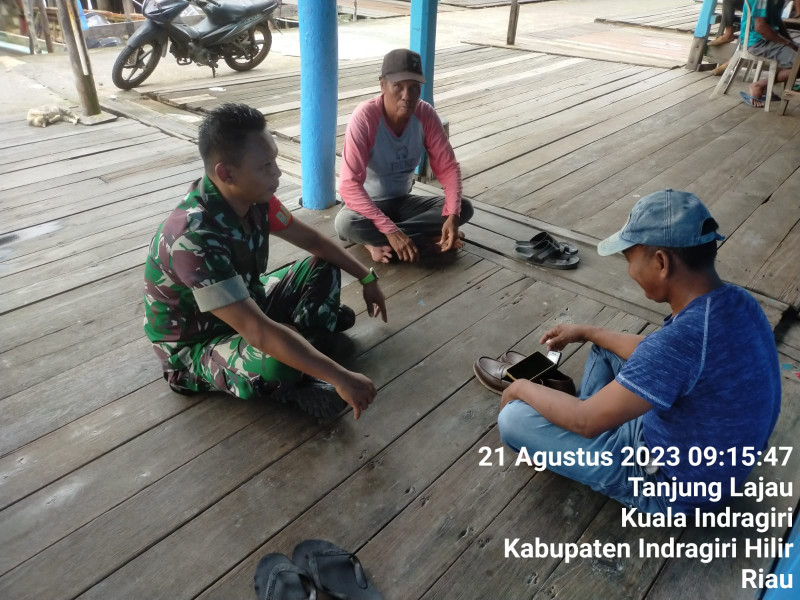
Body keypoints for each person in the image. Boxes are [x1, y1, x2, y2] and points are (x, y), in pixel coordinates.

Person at [496, 190, 781, 513]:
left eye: (630, 260)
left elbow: (586, 422)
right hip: (714, 454)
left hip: (669, 485)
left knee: (513, 418)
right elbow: (662, 357)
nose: (630, 272)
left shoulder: (682, 340)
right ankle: (596, 413)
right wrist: (589, 332)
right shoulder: (738, 300)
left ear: (661, 262)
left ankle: (581, 421)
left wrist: (519, 388)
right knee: (604, 347)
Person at [143, 103, 388, 420]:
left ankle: (300, 340)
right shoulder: (194, 238)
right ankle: (299, 371)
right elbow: (255, 330)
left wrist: (367, 278)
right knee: (277, 359)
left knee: (324, 265)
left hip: (247, 300)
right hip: (198, 343)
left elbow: (313, 241)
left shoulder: (254, 199)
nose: (278, 172)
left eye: (274, 160)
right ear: (227, 173)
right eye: (266, 166)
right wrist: (340, 377)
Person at [335, 48, 474, 264]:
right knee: (345, 224)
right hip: (367, 205)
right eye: (398, 86)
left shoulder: (425, 114)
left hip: (403, 201)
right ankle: (423, 239)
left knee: (462, 207)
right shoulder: (365, 117)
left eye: (414, 87)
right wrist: (390, 229)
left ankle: (380, 242)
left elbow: (448, 168)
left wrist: (453, 215)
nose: (407, 96)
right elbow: (349, 186)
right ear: (383, 85)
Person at [741, 0, 799, 107]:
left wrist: (791, 42)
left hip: (770, 39)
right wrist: (787, 43)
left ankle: (767, 85)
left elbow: (778, 22)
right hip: (758, 42)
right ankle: (759, 85)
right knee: (798, 64)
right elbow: (760, 27)